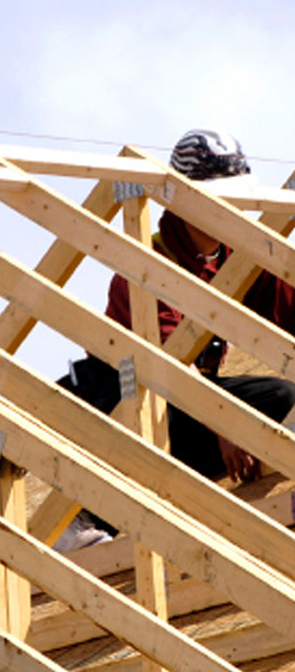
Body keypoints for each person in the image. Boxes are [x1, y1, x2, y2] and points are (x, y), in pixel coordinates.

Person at [55, 130, 295, 551]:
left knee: (278, 396)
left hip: (189, 408)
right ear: (184, 200)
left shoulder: (232, 259)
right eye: (218, 197)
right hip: (122, 403)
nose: (231, 208)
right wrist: (225, 422)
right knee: (144, 400)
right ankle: (79, 514)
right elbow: (165, 363)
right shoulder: (149, 266)